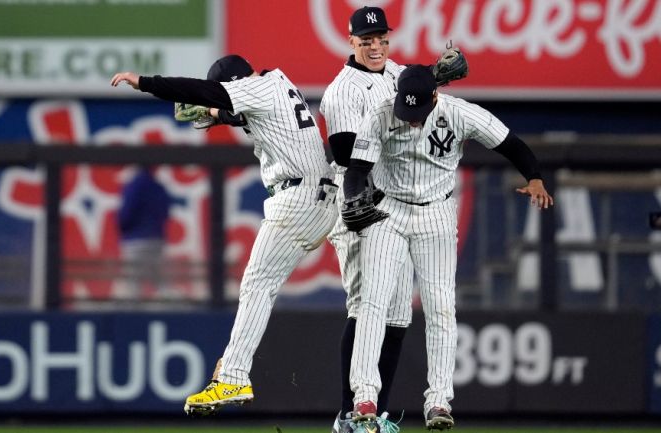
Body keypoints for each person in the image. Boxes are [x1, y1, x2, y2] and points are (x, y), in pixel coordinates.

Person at [110, 54, 339, 415]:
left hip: (300, 197)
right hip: (320, 196)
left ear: (234, 83)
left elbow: (208, 92)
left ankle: (232, 376)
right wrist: (216, 115)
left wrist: (147, 82)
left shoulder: (253, 89)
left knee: (257, 284)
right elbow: (239, 110)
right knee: (348, 296)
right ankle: (365, 398)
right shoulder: (274, 84)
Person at [341, 65, 553, 430]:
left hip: (436, 212)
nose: (410, 121)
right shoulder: (380, 115)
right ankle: (365, 397)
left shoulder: (458, 112)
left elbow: (509, 143)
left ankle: (438, 402)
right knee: (372, 302)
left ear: (435, 97)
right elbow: (357, 170)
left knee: (440, 306)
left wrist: (534, 176)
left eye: (417, 113)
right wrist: (353, 200)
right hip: (388, 209)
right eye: (405, 112)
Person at [320, 6, 468, 433]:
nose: (375, 46)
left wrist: (434, 78)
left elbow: (413, 92)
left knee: (399, 313)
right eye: (365, 40)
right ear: (351, 42)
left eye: (380, 38)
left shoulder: (395, 71)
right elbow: (351, 157)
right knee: (366, 304)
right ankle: (349, 414)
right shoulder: (343, 90)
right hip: (360, 203)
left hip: (396, 207)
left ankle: (376, 413)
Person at [114, 168, 172, 301]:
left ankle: (132, 317)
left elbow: (125, 214)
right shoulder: (157, 186)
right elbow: (165, 211)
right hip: (156, 240)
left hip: (135, 240)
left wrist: (124, 228)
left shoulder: (133, 186)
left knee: (132, 284)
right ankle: (171, 310)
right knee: (159, 281)